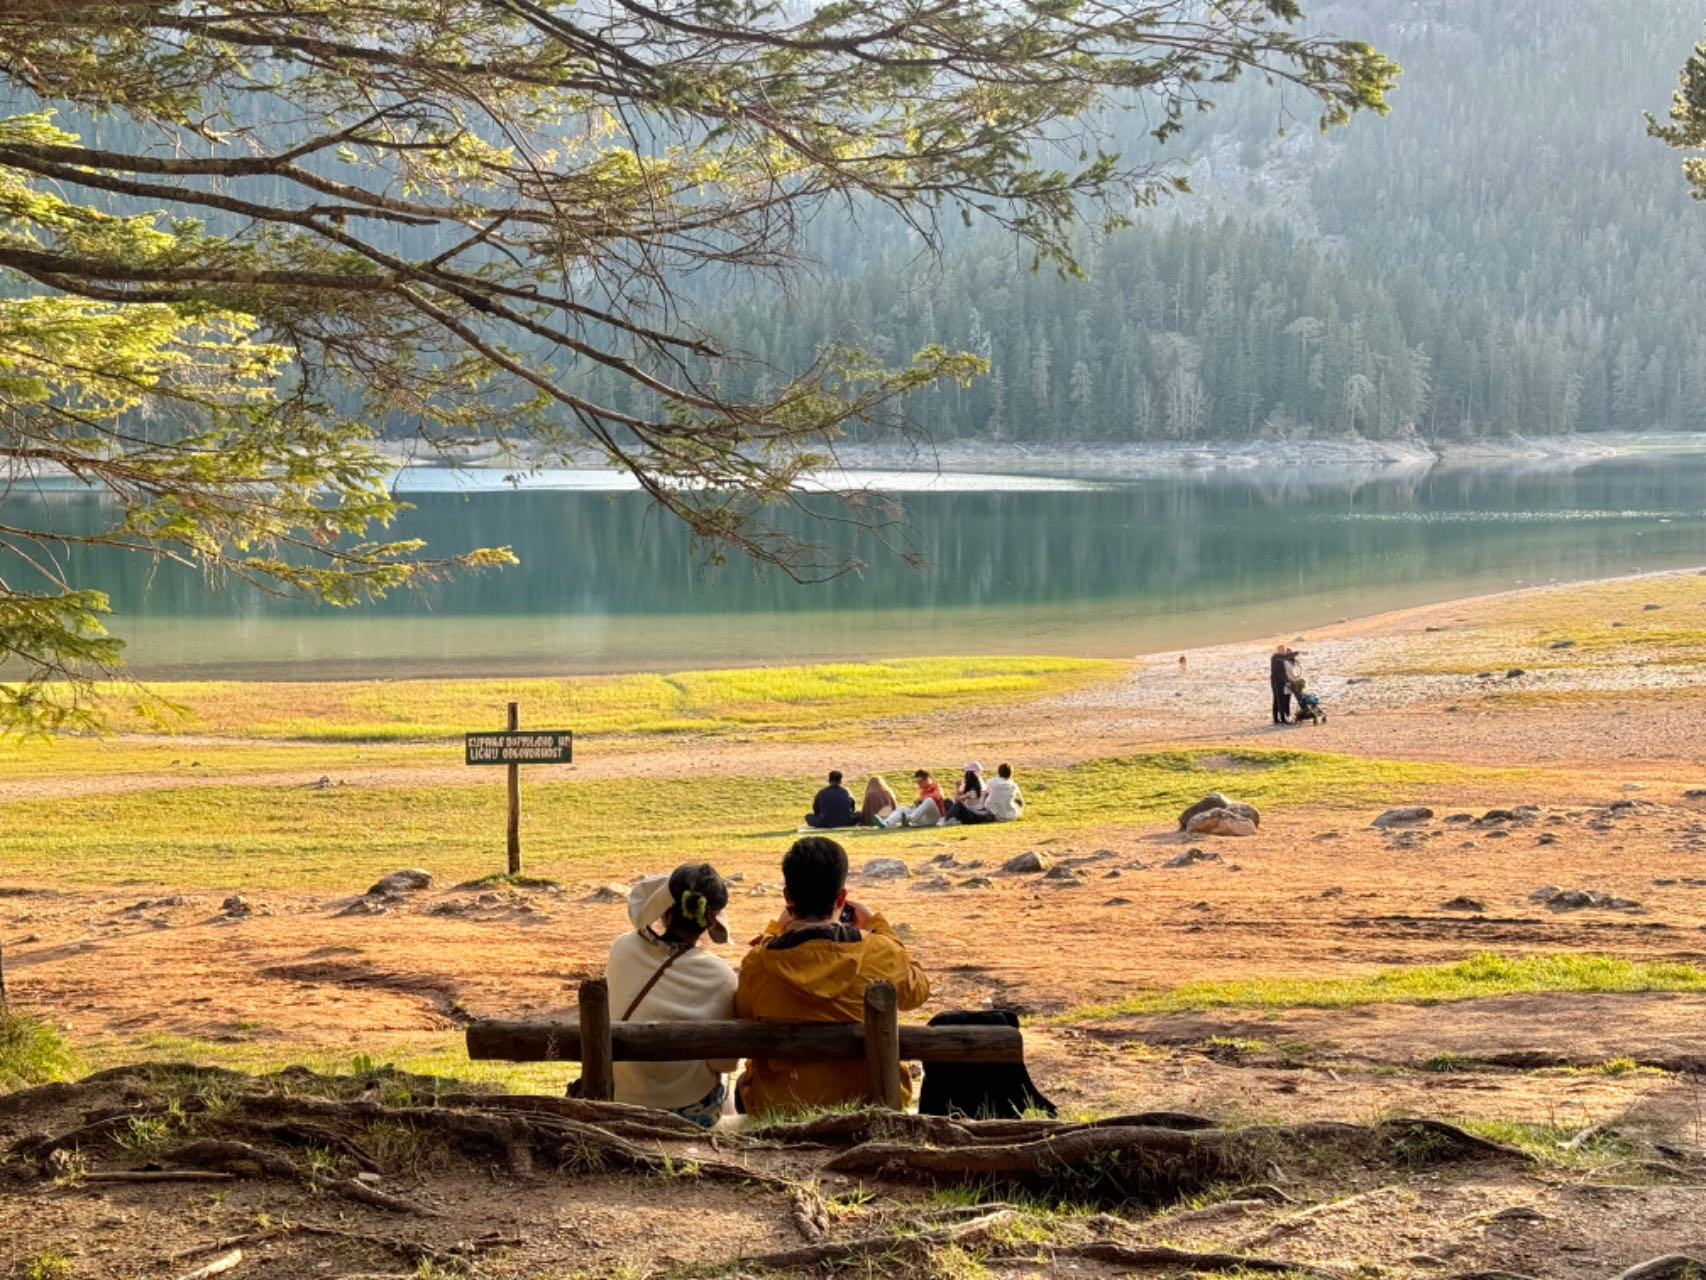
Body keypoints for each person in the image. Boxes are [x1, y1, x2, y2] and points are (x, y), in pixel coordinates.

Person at [733, 836, 930, 1114]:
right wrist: (878, 926)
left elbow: (743, 1011)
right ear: (841, 898)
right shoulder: (879, 953)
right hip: (869, 1105)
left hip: (782, 1106)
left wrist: (775, 930)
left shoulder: (759, 964)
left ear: (788, 897)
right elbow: (918, 991)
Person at [604, 864, 738, 1127]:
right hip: (686, 1108)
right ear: (711, 921)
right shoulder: (721, 976)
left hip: (618, 1098)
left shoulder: (622, 947)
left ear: (666, 912)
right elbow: (726, 1063)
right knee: (727, 1086)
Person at [881, 769, 946, 827]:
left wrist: (921, 800)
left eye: (920, 782)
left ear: (928, 779)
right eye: (917, 782)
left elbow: (937, 796)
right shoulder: (922, 790)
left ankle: (910, 819)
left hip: (934, 817)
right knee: (903, 809)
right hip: (922, 817)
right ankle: (887, 823)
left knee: (929, 801)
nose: (919, 784)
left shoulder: (937, 788)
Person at [1269, 643, 1294, 725]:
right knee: (1279, 699)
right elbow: (1286, 657)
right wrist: (1298, 652)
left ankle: (1277, 718)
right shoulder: (1275, 656)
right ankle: (1281, 718)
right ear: (1278, 650)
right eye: (1281, 650)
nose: (1283, 651)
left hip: (1281, 680)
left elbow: (1286, 669)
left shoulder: (1282, 659)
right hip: (1276, 680)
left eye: (1284, 650)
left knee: (1278, 699)